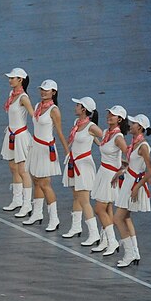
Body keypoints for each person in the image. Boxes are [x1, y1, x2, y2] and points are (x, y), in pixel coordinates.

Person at [23, 79, 69, 231]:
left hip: (45, 150)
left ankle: (54, 218)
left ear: (53, 92)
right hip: (36, 146)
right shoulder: (37, 106)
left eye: (47, 90)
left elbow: (59, 131)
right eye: (42, 89)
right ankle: (37, 213)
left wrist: (66, 151)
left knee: (44, 183)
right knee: (36, 180)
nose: (43, 92)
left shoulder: (54, 110)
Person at [61, 97, 102, 243]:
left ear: (84, 109)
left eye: (78, 105)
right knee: (77, 196)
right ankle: (76, 227)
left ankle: (94, 234)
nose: (75, 107)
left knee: (84, 200)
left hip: (84, 165)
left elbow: (104, 139)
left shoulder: (91, 126)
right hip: (74, 163)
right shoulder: (76, 123)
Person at [90, 105, 129, 256]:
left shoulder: (119, 137)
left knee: (99, 209)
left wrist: (121, 171)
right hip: (103, 172)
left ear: (119, 119)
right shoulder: (106, 132)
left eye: (112, 115)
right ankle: (106, 240)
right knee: (106, 209)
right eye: (109, 114)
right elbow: (104, 148)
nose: (109, 117)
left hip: (110, 176)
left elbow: (132, 158)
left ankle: (112, 242)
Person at [113, 114, 151, 267]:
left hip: (133, 185)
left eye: (133, 123)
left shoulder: (143, 146)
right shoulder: (135, 143)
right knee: (126, 218)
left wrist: (137, 186)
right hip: (129, 181)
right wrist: (121, 170)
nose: (129, 125)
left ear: (140, 127)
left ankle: (129, 254)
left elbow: (150, 170)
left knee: (117, 219)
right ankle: (134, 252)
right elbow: (133, 165)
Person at [0, 68, 35, 217]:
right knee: (13, 167)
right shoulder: (11, 95)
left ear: (20, 80)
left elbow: (33, 116)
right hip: (11, 134)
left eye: (12, 78)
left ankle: (27, 204)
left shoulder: (23, 98)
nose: (10, 80)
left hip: (20, 136)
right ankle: (17, 199)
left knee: (22, 170)